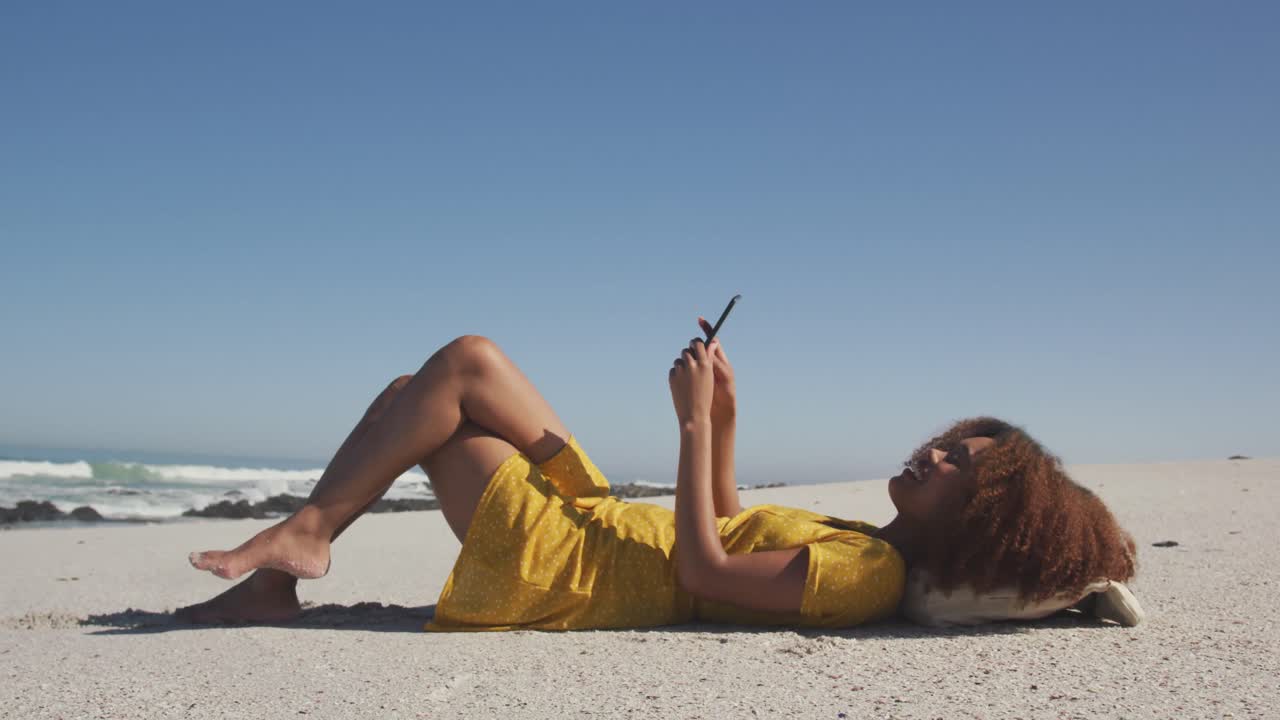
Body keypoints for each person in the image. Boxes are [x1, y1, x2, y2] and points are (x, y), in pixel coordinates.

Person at [178, 324, 1138, 630]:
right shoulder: (861, 542)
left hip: (574, 566)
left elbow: (705, 572)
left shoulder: (870, 578)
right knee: (418, 386)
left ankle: (300, 542)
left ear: (972, 520)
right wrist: (724, 413)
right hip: (600, 520)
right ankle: (277, 577)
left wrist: (682, 425)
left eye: (953, 469)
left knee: (456, 371)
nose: (931, 454)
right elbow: (726, 516)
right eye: (948, 443)